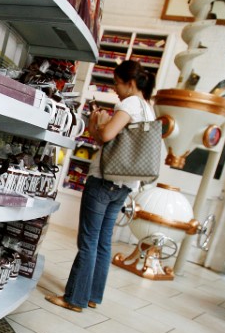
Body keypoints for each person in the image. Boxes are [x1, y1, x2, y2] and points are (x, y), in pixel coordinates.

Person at [45, 60, 156, 312]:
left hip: (105, 180)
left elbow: (106, 137)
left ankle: (74, 299)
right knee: (104, 241)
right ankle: (92, 295)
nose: (115, 89)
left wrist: (96, 124)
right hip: (126, 184)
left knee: (88, 241)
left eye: (117, 83)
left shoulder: (129, 104)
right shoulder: (149, 109)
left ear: (130, 83)